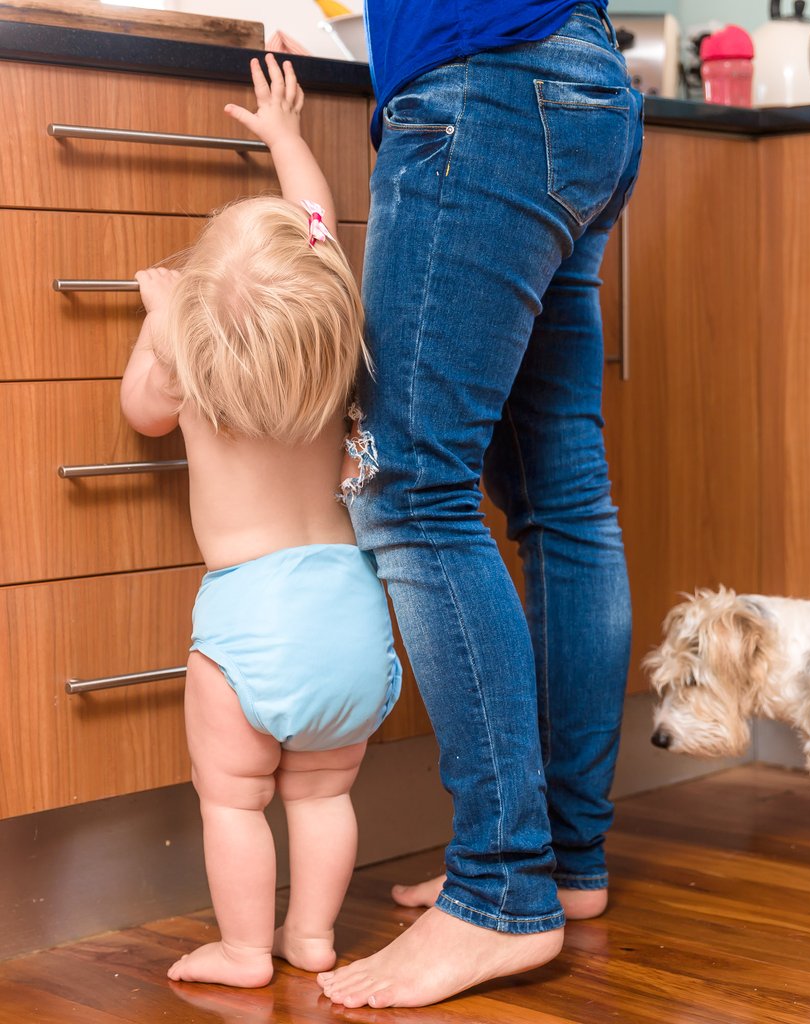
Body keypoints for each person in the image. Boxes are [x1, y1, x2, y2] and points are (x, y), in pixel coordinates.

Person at [316, 0, 644, 1008]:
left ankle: (502, 889)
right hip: (579, 80)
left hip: (486, 81)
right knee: (560, 497)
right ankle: (563, 859)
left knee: (411, 487)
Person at [120, 54, 401, 989]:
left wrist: (159, 320)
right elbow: (317, 227)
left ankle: (244, 951)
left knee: (234, 803)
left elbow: (141, 413)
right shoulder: (331, 343)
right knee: (322, 796)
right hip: (350, 615)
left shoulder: (189, 361)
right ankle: (312, 935)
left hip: (250, 624)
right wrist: (286, 137)